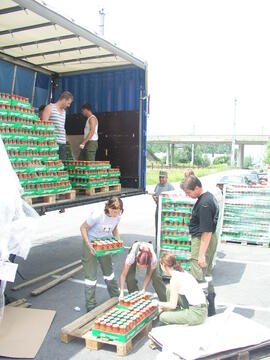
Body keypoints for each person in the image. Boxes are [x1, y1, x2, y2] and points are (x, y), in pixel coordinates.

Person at [180, 176, 219, 316]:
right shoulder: (208, 197)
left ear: (197, 188)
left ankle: (201, 309)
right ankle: (211, 306)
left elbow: (207, 232)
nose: (187, 195)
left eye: (188, 192)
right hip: (209, 240)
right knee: (207, 274)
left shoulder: (204, 204)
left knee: (198, 275)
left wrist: (201, 254)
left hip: (203, 241)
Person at [80, 197, 123, 311]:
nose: (115, 215)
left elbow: (114, 228)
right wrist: (88, 244)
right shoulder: (97, 215)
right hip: (91, 243)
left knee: (109, 273)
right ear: (108, 208)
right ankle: (90, 305)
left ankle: (115, 297)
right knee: (91, 277)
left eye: (118, 212)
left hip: (104, 243)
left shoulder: (118, 216)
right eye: (113, 212)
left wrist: (117, 240)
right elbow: (83, 228)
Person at [153, 254, 207, 325]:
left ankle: (173, 317)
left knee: (162, 316)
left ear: (163, 266)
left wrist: (157, 303)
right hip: (201, 307)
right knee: (169, 288)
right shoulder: (181, 272)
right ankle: (174, 313)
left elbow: (172, 305)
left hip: (197, 314)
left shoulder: (175, 279)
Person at [42, 91, 73, 161]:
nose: (69, 106)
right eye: (68, 103)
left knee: (61, 166)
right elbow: (43, 126)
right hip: (53, 142)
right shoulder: (49, 108)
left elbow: (62, 127)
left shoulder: (64, 112)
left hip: (62, 143)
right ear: (64, 99)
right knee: (52, 165)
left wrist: (66, 140)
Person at [153, 171, 175, 251]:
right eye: (160, 177)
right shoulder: (157, 186)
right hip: (158, 208)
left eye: (163, 177)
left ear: (166, 178)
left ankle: (166, 247)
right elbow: (155, 194)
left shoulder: (170, 187)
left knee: (166, 229)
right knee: (158, 228)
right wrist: (154, 198)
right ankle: (157, 247)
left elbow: (173, 201)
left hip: (167, 211)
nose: (161, 179)